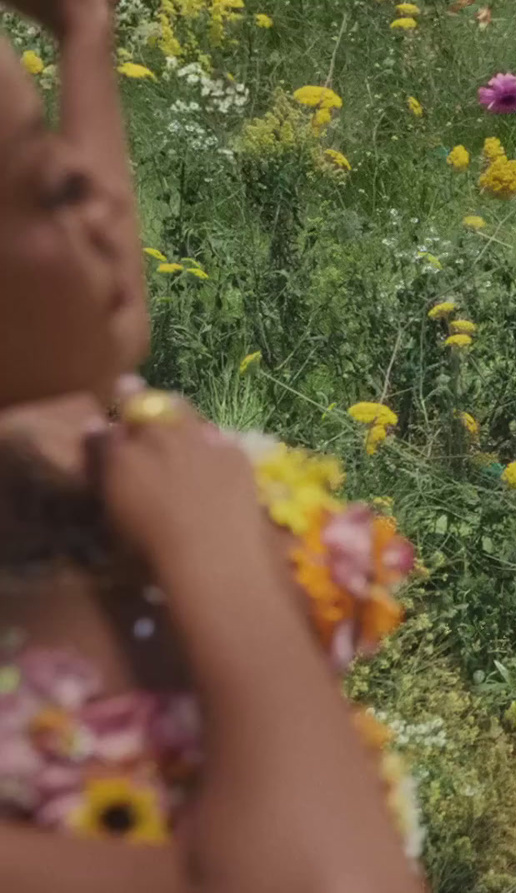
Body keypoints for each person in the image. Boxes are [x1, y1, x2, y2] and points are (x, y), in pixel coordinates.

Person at [0, 2, 424, 890]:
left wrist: (85, 38)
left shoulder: (43, 431)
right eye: (52, 187)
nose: (104, 203)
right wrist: (220, 562)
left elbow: (100, 309)